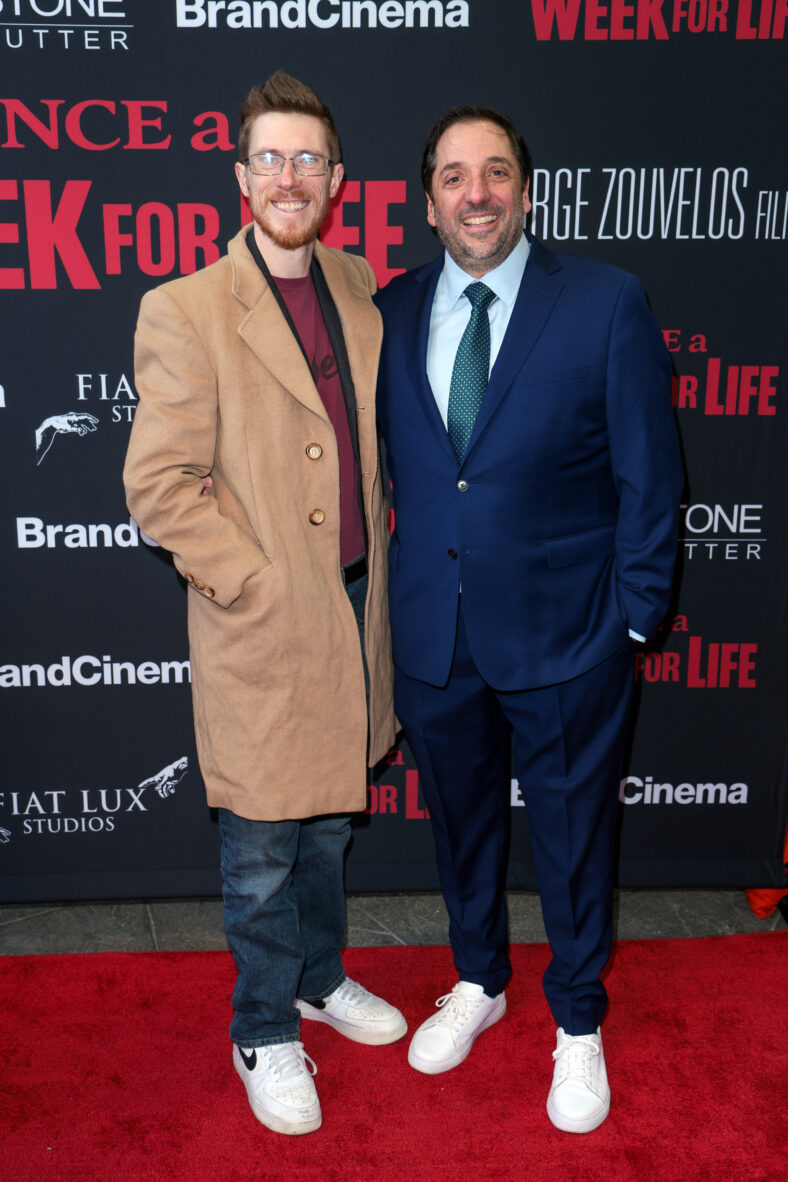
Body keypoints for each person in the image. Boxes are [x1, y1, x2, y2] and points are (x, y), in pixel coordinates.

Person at [374, 106, 683, 1133]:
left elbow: (649, 472)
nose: (476, 193)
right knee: (460, 828)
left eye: (495, 172)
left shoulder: (601, 302)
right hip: (435, 636)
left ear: (523, 189)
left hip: (568, 636)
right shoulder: (391, 307)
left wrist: (634, 618)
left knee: (570, 835)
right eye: (454, 176)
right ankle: (477, 980)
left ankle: (578, 1021)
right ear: (427, 202)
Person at [124, 72, 405, 1138]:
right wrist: (249, 582)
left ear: (334, 179)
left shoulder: (356, 283)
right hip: (261, 618)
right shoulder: (185, 306)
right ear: (242, 178)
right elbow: (158, 487)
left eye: (310, 160)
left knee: (329, 828)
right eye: (271, 159)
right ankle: (261, 1027)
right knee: (259, 852)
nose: (291, 178)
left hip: (352, 611)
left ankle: (318, 981)